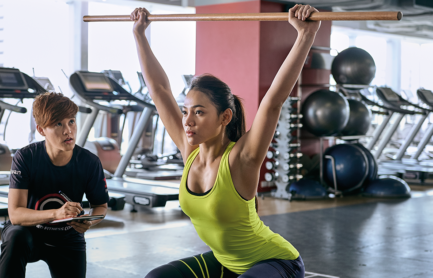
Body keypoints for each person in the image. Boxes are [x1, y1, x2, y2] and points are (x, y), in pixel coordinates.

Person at [131, 4, 321, 278]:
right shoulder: (190, 152)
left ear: (224, 117)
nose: (187, 121)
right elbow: (159, 90)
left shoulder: (242, 158)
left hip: (277, 263)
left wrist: (306, 35)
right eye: (185, 112)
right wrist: (140, 34)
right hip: (227, 262)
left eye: (199, 112)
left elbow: (273, 102)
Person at [0, 92, 109, 278]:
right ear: (41, 130)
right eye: (59, 124)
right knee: (15, 236)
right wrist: (56, 214)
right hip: (29, 234)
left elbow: (101, 206)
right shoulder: (26, 157)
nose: (68, 131)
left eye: (71, 121)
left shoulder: (89, 162)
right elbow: (15, 214)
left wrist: (89, 221)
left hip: (67, 238)